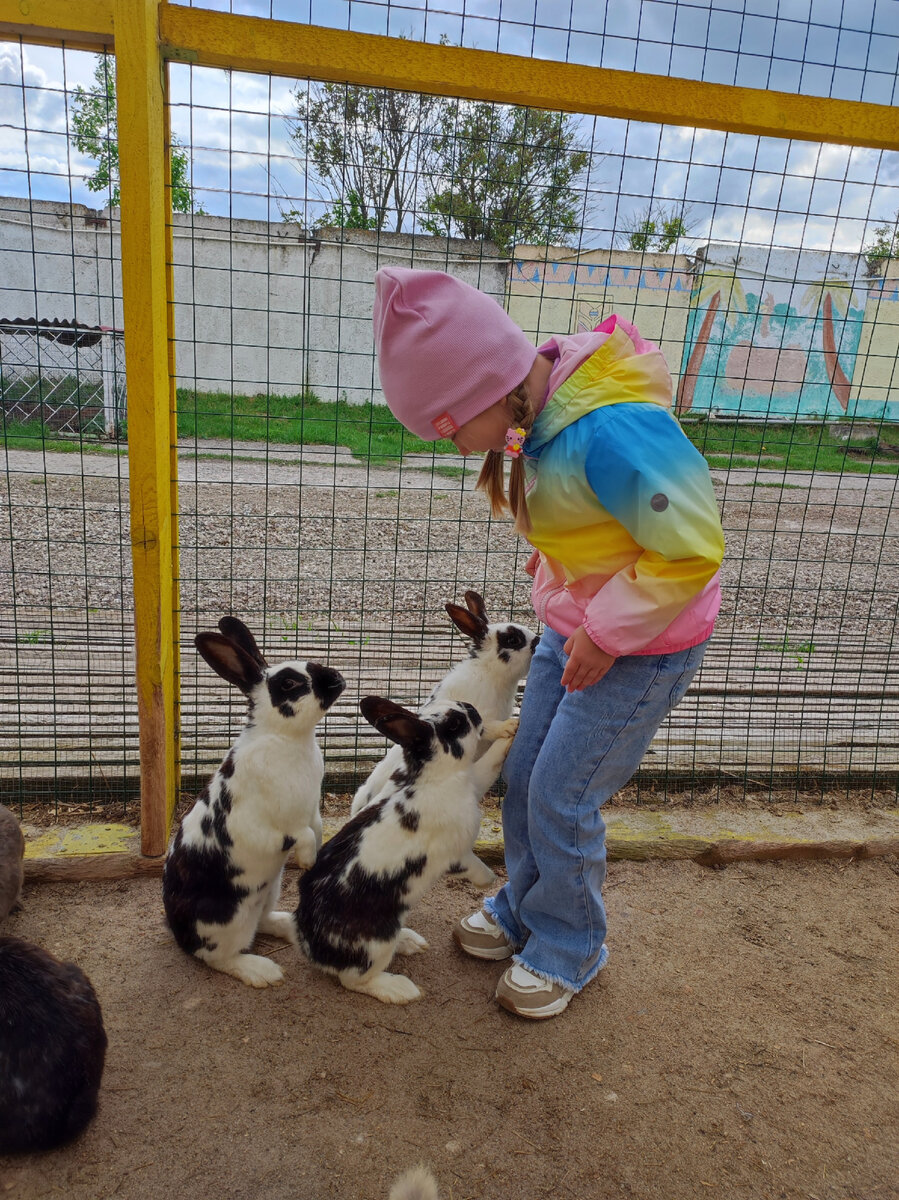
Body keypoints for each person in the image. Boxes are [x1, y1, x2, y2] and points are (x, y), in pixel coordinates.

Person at [372, 267, 725, 1020]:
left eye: (445, 429)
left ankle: (570, 943)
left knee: (563, 795)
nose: (460, 448)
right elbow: (594, 521)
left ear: (480, 390)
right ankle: (526, 905)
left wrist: (600, 627)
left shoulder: (613, 427)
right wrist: (561, 580)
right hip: (582, 630)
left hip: (642, 644)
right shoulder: (540, 423)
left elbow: (691, 549)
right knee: (526, 771)